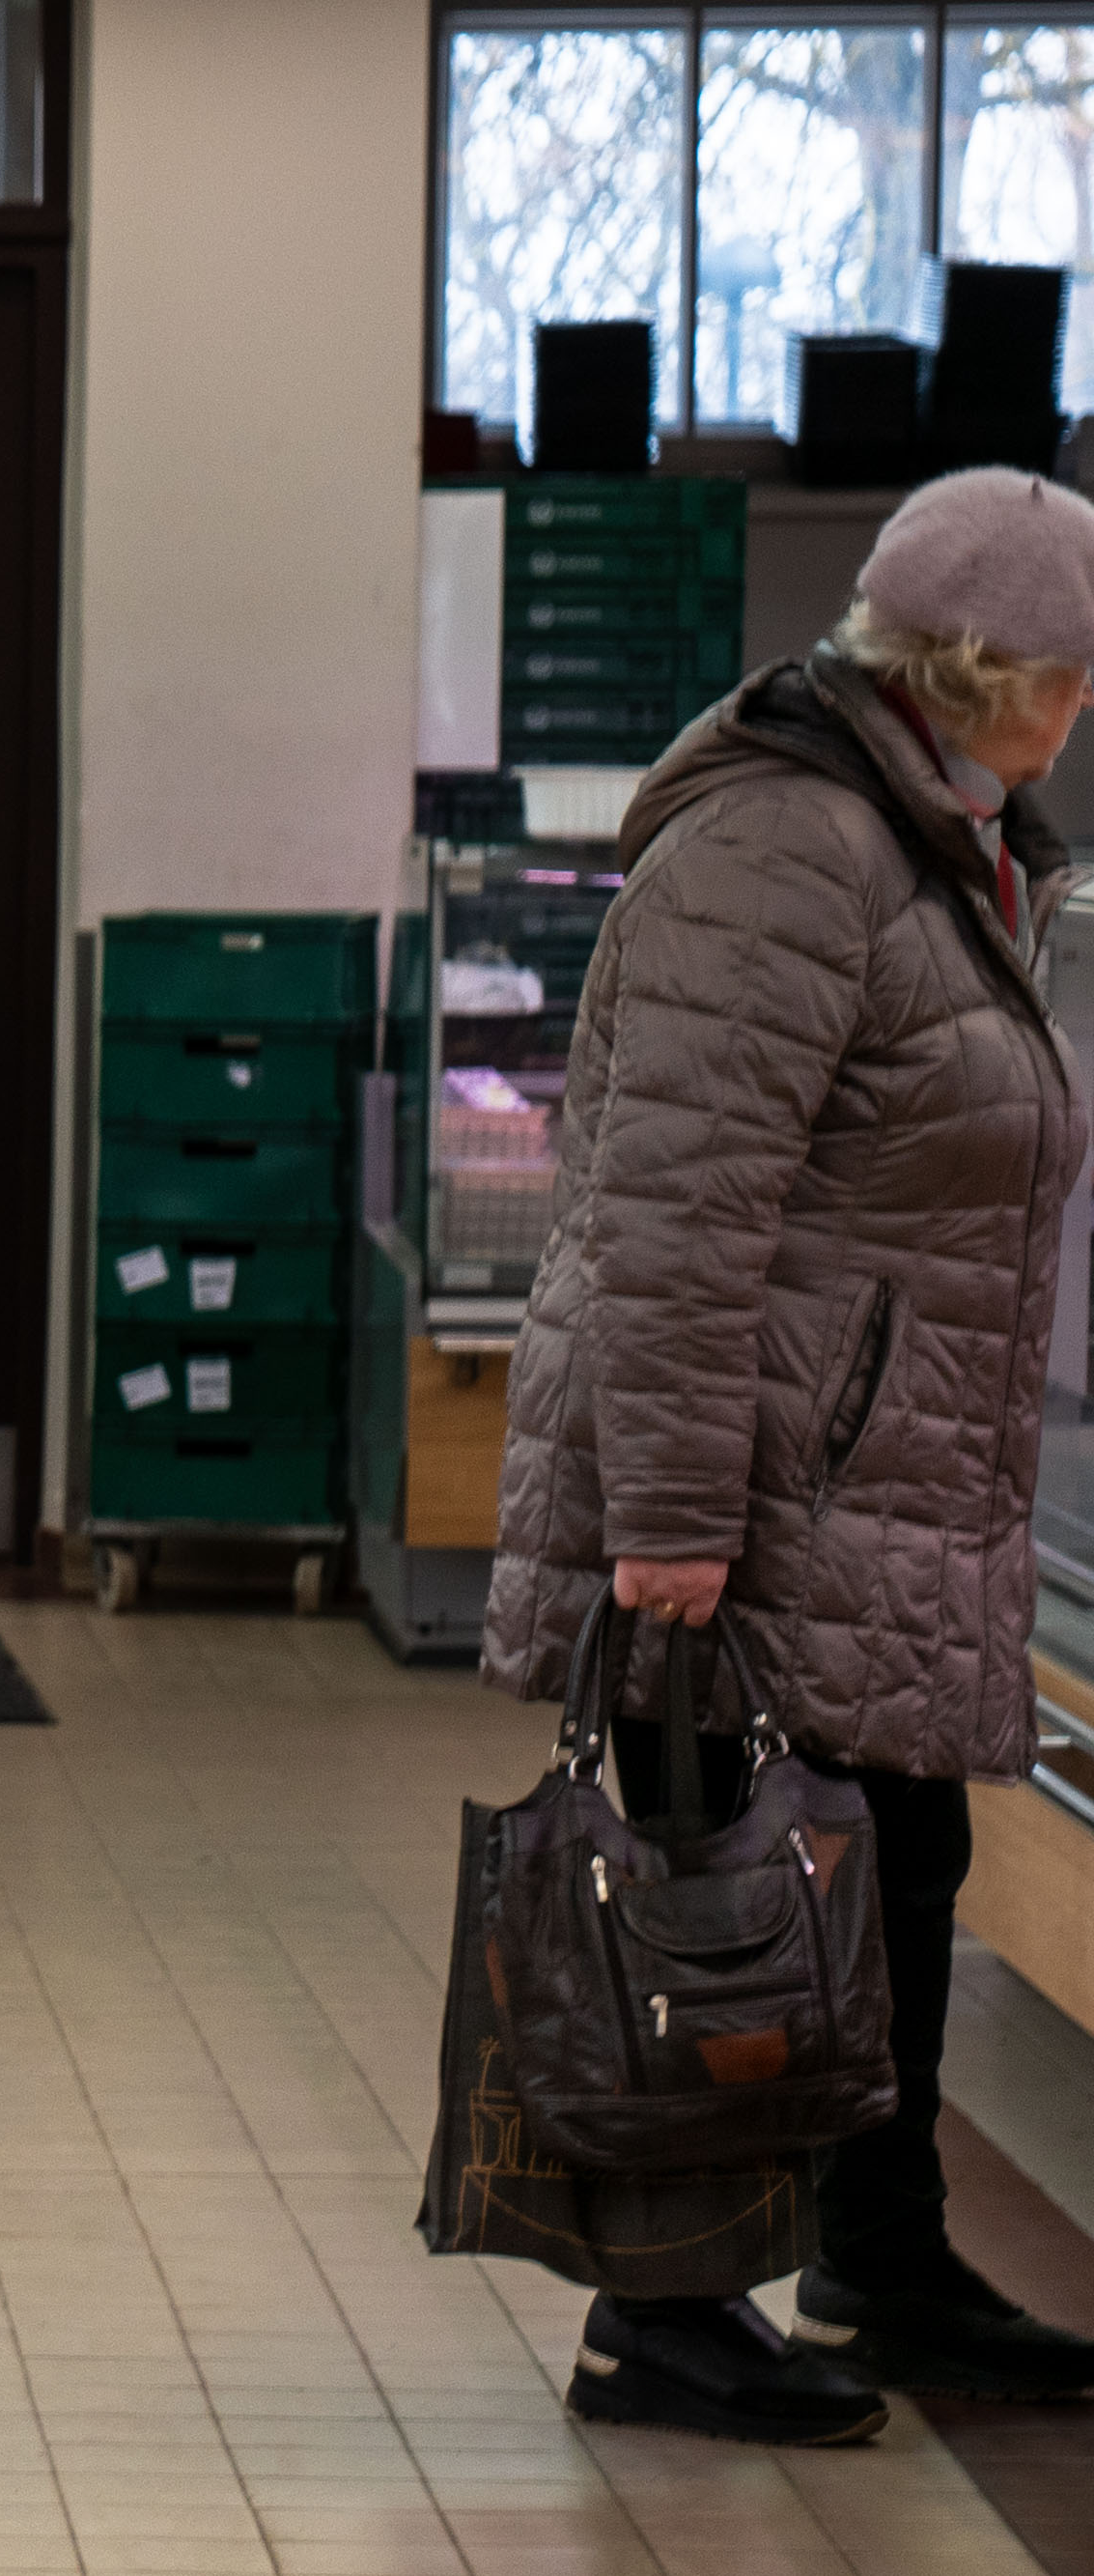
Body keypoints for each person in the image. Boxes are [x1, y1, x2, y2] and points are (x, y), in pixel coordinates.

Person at [487, 463, 1094, 2441]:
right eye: (1071, 670)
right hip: (761, 1490)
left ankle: (878, 2260)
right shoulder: (787, 845)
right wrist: (669, 1520)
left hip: (872, 1480)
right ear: (981, 672)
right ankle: (657, 2314)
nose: (1085, 704)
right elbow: (670, 1210)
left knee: (889, 1869)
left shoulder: (941, 839)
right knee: (725, 1882)